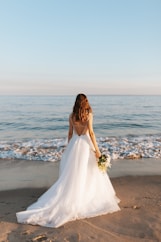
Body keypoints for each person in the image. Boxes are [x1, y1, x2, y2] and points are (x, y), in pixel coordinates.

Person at [16, 93, 120, 228]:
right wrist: (97, 150)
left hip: (75, 144)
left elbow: (70, 133)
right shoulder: (89, 115)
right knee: (88, 171)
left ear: (76, 102)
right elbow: (92, 133)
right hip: (86, 144)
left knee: (74, 172)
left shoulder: (71, 116)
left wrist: (69, 147)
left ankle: (73, 192)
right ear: (86, 102)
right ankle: (86, 194)